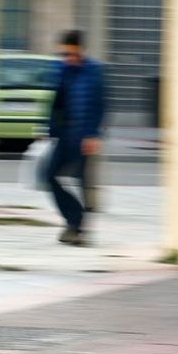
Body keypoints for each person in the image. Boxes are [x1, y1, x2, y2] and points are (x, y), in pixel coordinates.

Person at [46, 30, 106, 246]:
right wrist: (49, 130)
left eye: (71, 54)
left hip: (84, 138)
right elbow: (56, 103)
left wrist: (94, 134)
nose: (68, 58)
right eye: (64, 54)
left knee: (82, 181)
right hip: (65, 135)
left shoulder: (95, 71)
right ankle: (75, 219)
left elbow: (100, 106)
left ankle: (77, 229)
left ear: (81, 50)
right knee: (49, 175)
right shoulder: (62, 70)